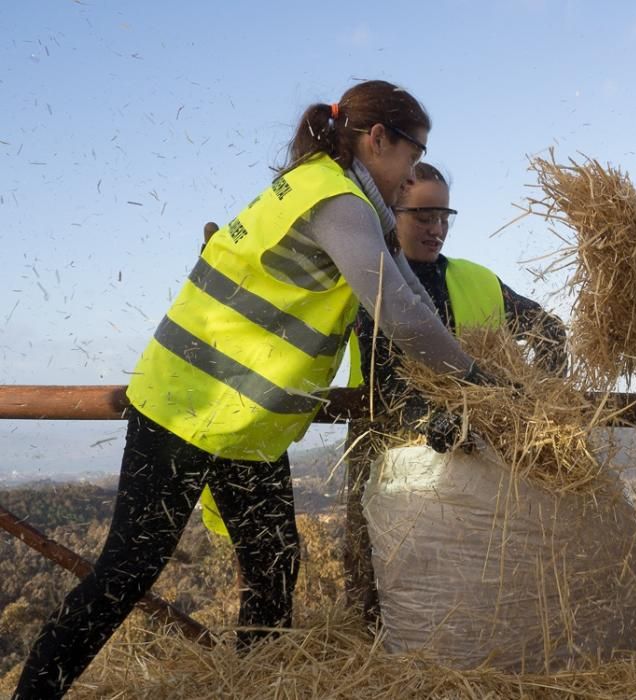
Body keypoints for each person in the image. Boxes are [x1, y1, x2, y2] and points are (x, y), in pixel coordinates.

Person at [14, 79, 492, 699]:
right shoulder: (338, 202)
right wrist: (480, 383)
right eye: (412, 150)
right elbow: (400, 312)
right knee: (128, 570)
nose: (412, 173)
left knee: (273, 565)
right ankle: (35, 693)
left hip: (242, 422)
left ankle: (254, 686)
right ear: (377, 139)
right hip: (184, 407)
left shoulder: (340, 195)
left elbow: (402, 291)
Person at [343, 162, 567, 621]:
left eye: (444, 216)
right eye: (423, 216)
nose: (436, 229)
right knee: (375, 574)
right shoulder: (371, 279)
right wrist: (427, 418)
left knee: (464, 571)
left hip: (471, 451)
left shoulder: (475, 279)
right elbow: (383, 375)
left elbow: (549, 330)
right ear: (390, 213)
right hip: (382, 446)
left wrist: (540, 398)